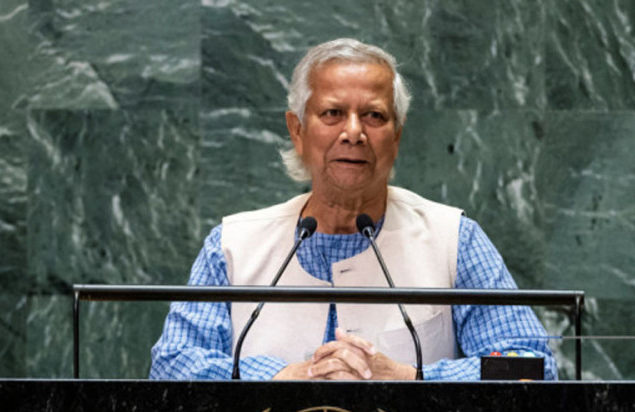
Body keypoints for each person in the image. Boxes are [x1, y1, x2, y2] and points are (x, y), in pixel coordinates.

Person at [150, 38, 556, 381]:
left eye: (374, 116)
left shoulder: (455, 239)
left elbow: (530, 365)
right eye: (332, 113)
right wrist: (280, 377)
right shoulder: (233, 245)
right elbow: (172, 364)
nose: (354, 132)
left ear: (396, 137)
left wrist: (411, 378)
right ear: (298, 131)